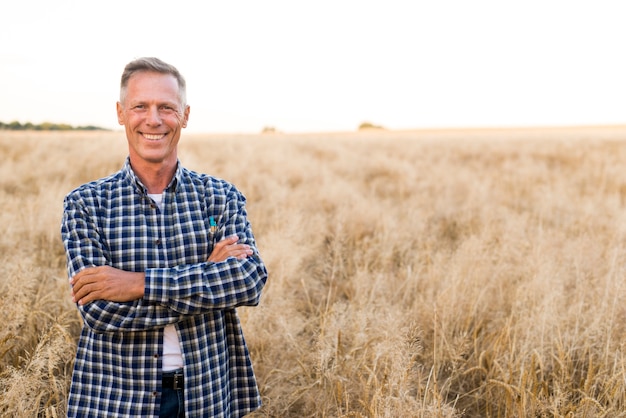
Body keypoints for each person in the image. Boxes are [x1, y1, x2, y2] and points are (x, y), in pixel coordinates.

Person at [61, 57, 268, 417]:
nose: (153, 119)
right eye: (140, 106)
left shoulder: (221, 196)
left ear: (185, 115)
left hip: (206, 395)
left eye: (166, 108)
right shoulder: (86, 204)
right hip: (116, 400)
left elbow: (248, 283)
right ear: (121, 112)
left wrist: (137, 284)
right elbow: (100, 311)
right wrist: (207, 276)